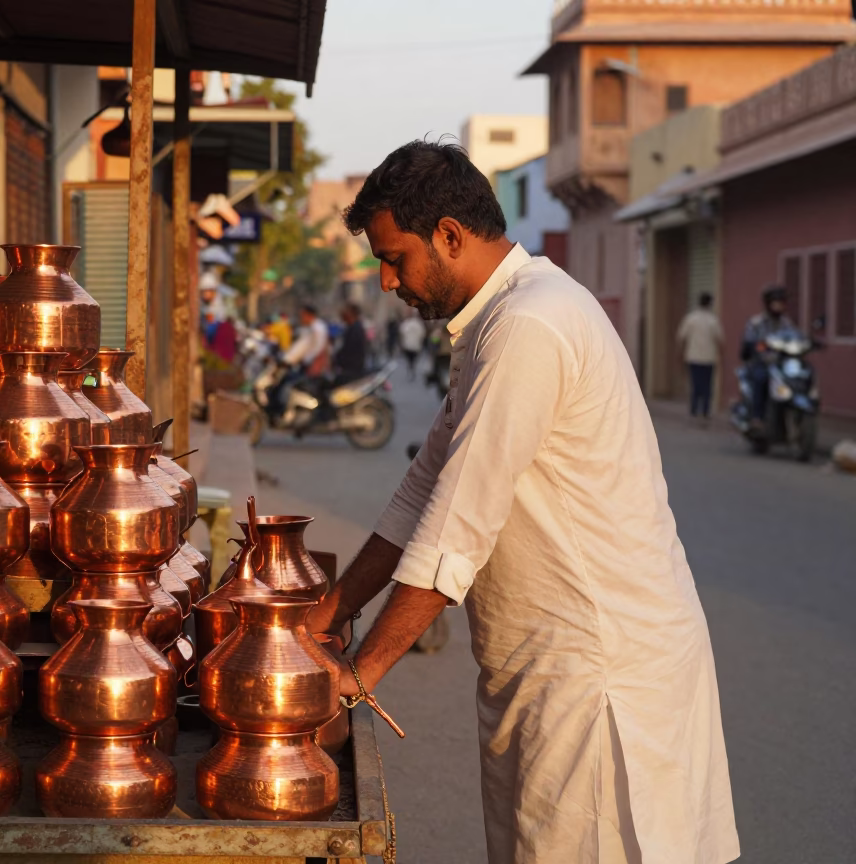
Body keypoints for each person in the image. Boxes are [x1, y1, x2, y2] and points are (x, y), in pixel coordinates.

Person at [306, 141, 738, 864]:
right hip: (548, 676)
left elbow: (455, 529)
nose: (386, 282)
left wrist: (355, 679)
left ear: (449, 235)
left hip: (597, 682)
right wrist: (326, 614)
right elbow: (423, 490)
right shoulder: (494, 323)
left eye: (394, 258)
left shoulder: (527, 325)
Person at [740, 285, 796, 426]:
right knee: (761, 378)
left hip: (782, 363)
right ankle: (757, 417)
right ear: (768, 304)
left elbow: (794, 339)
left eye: (781, 303)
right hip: (763, 363)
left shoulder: (787, 323)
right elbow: (750, 342)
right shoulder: (756, 323)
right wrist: (760, 347)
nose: (778, 307)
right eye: (775, 303)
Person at [676, 292, 723, 421]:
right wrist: (721, 356)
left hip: (693, 357)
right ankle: (706, 411)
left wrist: (680, 354)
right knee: (707, 385)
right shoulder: (713, 320)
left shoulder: (691, 319)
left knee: (695, 384)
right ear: (710, 304)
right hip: (709, 358)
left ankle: (694, 410)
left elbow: (682, 338)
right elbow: (720, 340)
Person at [334, 303, 369, 383]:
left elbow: (349, 351)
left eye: (346, 310)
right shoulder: (351, 327)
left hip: (352, 371)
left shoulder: (356, 329)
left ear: (351, 313)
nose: (343, 312)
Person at [397, 311, 426, 380]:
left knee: (409, 359)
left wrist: (402, 343)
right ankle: (412, 367)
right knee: (413, 359)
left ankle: (410, 367)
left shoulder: (406, 323)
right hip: (416, 346)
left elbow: (401, 333)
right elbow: (423, 335)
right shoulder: (419, 324)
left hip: (407, 345)